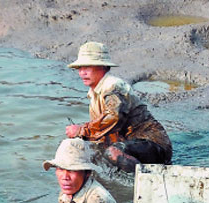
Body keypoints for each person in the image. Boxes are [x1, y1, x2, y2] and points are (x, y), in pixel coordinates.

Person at [65, 41, 172, 173]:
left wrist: (82, 130)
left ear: (102, 67)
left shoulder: (113, 86)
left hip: (153, 144)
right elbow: (103, 131)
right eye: (80, 68)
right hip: (130, 146)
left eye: (87, 67)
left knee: (112, 153)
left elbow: (113, 117)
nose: (82, 73)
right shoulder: (94, 93)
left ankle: (148, 179)